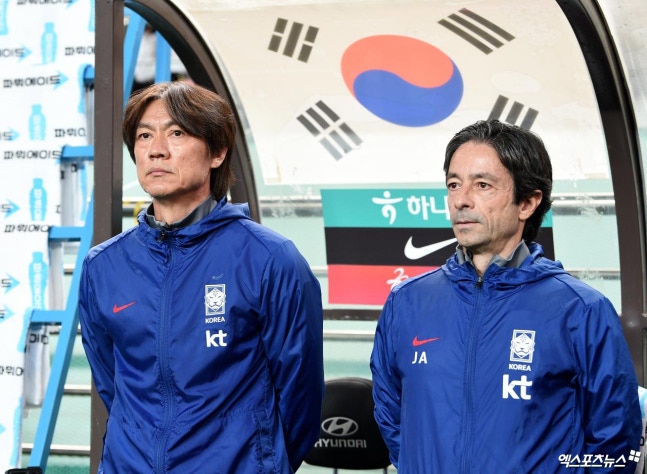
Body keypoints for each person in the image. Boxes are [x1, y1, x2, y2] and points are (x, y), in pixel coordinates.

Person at [79, 81, 324, 473]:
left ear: (217, 152)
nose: (157, 149)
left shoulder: (269, 258)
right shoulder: (104, 265)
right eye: (144, 136)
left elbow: (301, 399)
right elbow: (112, 384)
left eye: (177, 133)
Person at [370, 119, 642, 473]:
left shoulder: (581, 310)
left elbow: (614, 443)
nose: (461, 200)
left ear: (527, 202)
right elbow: (391, 416)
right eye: (454, 184)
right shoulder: (406, 302)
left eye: (482, 185)